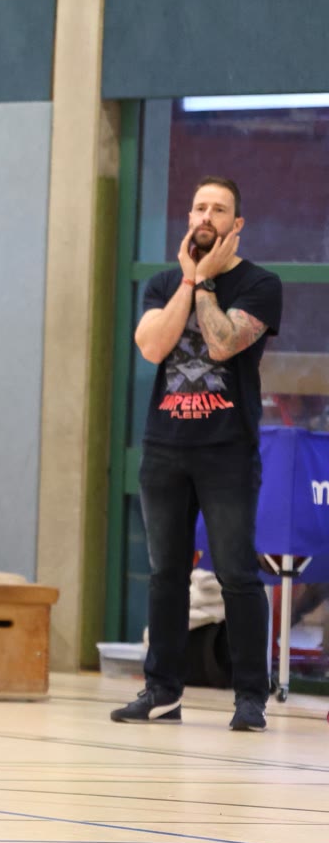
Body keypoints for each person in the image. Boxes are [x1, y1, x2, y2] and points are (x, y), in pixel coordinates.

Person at [114, 176, 282, 731]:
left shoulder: (260, 284)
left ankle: (250, 697)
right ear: (189, 218)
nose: (206, 216)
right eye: (199, 207)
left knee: (236, 573)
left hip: (227, 451)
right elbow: (152, 346)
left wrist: (207, 284)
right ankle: (162, 692)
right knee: (166, 574)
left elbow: (222, 343)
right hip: (165, 448)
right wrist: (189, 279)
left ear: (237, 225)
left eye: (219, 209)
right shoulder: (165, 283)